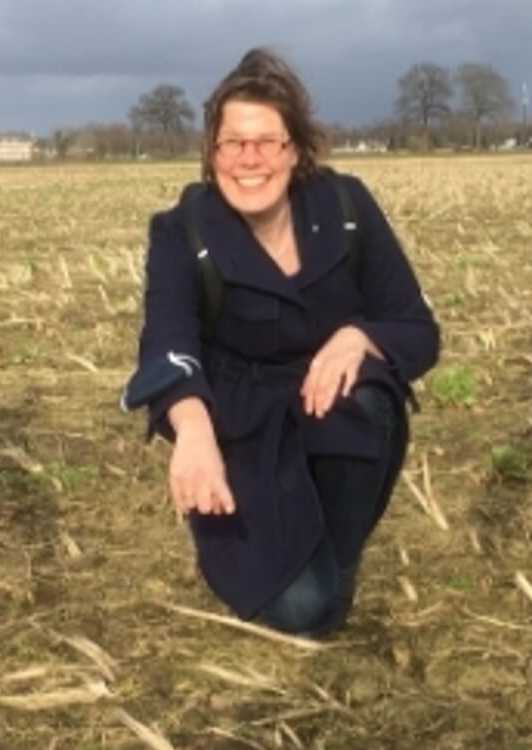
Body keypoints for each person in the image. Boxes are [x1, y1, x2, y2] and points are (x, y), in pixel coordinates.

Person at [123, 49, 439, 637]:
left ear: (294, 149)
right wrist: (192, 431)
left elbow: (418, 329)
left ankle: (337, 562)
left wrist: (359, 335)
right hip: (241, 425)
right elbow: (168, 339)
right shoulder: (181, 230)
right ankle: (293, 565)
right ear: (212, 153)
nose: (250, 159)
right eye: (233, 143)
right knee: (299, 612)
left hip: (332, 413)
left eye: (267, 142)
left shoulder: (346, 208)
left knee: (367, 393)